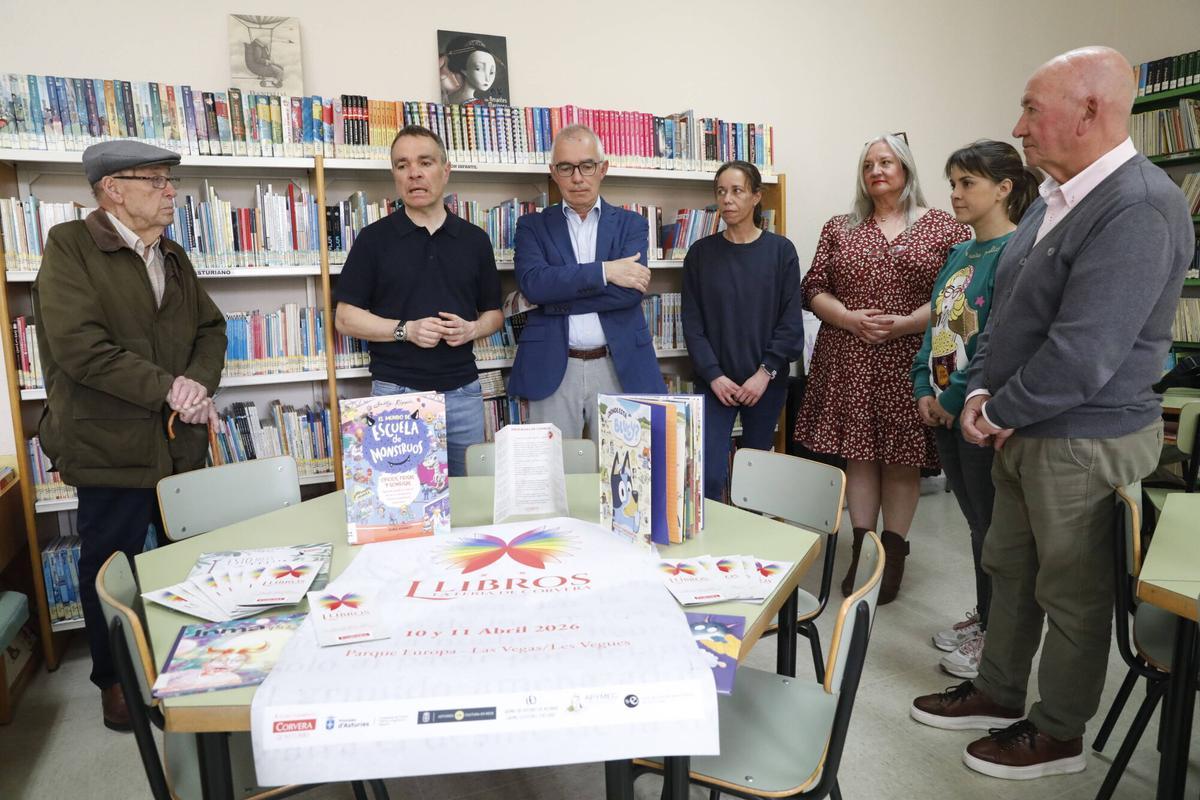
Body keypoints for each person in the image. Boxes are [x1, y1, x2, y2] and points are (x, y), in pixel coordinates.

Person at [910, 46, 1193, 780]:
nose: (1019, 125)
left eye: (1033, 109)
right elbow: (1002, 312)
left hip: (1082, 439)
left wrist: (996, 408)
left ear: (1090, 110)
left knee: (1070, 592)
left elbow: (1085, 353)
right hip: (1022, 428)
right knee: (1010, 568)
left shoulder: (1139, 205)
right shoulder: (1054, 198)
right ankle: (999, 689)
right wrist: (976, 392)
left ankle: (1059, 733)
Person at [32, 140, 227, 731]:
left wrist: (193, 383)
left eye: (170, 181)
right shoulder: (71, 248)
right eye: (157, 180)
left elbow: (211, 329)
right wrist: (169, 389)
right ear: (113, 189)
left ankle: (186, 667)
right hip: (107, 446)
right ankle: (114, 679)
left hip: (176, 443)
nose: (171, 191)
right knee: (109, 567)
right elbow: (80, 350)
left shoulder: (172, 254)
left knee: (182, 561)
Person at [794, 133, 969, 604]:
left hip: (909, 359)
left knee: (902, 460)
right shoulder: (840, 227)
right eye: (868, 163)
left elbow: (958, 295)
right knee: (860, 456)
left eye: (886, 162)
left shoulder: (942, 228)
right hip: (849, 357)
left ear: (907, 169)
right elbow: (813, 289)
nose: (876, 170)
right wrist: (850, 318)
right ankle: (862, 550)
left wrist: (906, 324)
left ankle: (893, 554)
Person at [910, 140, 1041, 680]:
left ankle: (999, 633)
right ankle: (985, 615)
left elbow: (995, 341)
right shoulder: (960, 254)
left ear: (1004, 188)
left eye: (968, 183)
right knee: (974, 523)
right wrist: (923, 386)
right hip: (942, 408)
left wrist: (948, 398)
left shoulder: (1018, 253)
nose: (955, 194)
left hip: (976, 415)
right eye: (954, 183)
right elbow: (938, 329)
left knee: (994, 528)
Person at [334, 125, 503, 477]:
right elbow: (345, 318)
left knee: (468, 498)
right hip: (396, 393)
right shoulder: (373, 240)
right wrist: (405, 330)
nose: (414, 173)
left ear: (446, 169)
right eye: (402, 165)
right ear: (394, 175)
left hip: (462, 393)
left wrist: (472, 329)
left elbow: (494, 315)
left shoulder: (475, 240)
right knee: (400, 507)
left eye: (425, 162)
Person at [509, 124, 666, 441]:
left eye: (587, 166)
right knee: (553, 471)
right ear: (554, 172)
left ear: (602, 168)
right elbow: (534, 286)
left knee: (621, 473)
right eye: (566, 167)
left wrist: (555, 301)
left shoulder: (631, 224)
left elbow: (628, 295)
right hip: (552, 365)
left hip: (617, 364)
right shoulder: (532, 226)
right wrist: (605, 272)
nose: (577, 177)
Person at [682, 160, 805, 501]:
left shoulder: (781, 252)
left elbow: (791, 324)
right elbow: (692, 325)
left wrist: (764, 373)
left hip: (764, 383)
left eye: (737, 191)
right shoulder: (700, 255)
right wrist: (714, 376)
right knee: (706, 473)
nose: (727, 199)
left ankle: (749, 548)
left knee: (755, 478)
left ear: (756, 197)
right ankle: (711, 546)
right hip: (715, 384)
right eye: (721, 192)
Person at [441, 36, 503, 106]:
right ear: (464, 69)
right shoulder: (478, 106)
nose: (487, 79)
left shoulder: (447, 97)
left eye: (491, 72)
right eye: (478, 68)